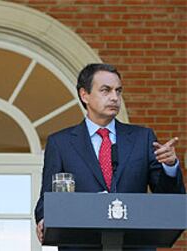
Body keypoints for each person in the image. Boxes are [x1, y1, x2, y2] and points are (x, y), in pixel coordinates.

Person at [34, 63, 186, 248]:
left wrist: (170, 167)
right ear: (85, 95)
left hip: (133, 245)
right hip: (80, 245)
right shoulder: (61, 143)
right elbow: (47, 198)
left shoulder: (142, 138)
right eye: (106, 90)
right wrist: (44, 218)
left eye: (118, 91)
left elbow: (167, 199)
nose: (115, 98)